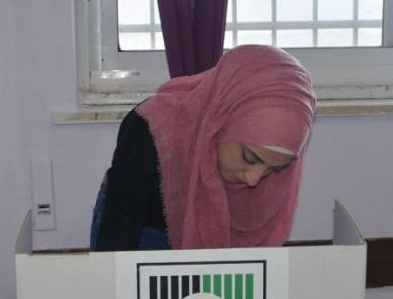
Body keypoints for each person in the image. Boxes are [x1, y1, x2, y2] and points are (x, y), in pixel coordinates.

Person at [90, 44, 316, 251]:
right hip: (145, 231)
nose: (253, 180)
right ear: (222, 120)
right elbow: (117, 243)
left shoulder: (266, 162)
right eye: (249, 158)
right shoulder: (150, 131)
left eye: (274, 169)